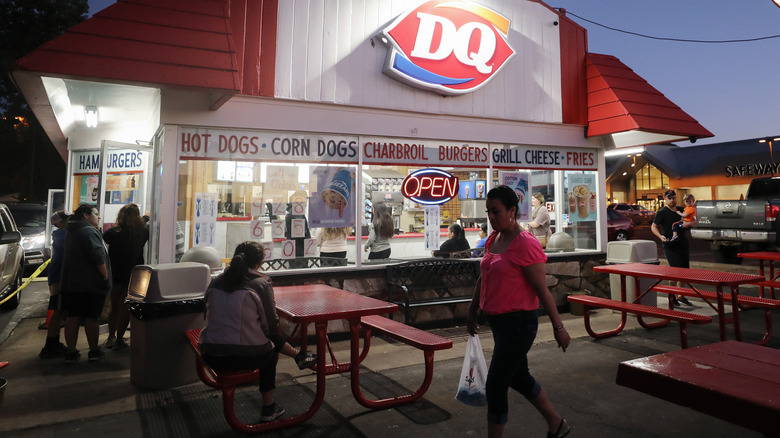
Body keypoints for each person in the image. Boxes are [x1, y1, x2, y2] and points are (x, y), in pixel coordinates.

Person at [467, 185, 571, 438]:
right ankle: (556, 423)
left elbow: (542, 290)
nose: (491, 217)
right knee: (518, 377)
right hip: (499, 324)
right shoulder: (494, 238)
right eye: (488, 212)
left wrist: (559, 327)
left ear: (512, 210)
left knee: (495, 385)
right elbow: (485, 275)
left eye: (496, 211)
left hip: (519, 324)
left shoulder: (525, 243)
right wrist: (473, 308)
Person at [198, 241, 316, 422]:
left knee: (264, 340)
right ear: (258, 263)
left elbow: (207, 315)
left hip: (209, 353)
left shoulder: (216, 281)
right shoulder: (260, 283)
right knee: (268, 349)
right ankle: (269, 408)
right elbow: (271, 324)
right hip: (244, 356)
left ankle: (299, 356)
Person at [60, 205, 112, 363]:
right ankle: (94, 351)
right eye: (95, 214)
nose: (98, 217)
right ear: (85, 215)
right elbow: (97, 254)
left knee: (73, 317)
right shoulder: (89, 231)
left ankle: (71, 352)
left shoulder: (72, 231)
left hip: (73, 283)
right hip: (90, 284)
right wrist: (105, 274)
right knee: (91, 318)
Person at [103, 203, 149, 350]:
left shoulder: (113, 233)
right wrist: (146, 217)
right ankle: (120, 339)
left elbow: (106, 236)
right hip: (133, 275)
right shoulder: (142, 232)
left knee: (114, 307)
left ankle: (111, 337)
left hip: (116, 274)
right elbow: (145, 223)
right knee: (126, 308)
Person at [651, 189, 698, 307]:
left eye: (674, 198)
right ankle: (672, 296)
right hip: (669, 245)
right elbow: (654, 226)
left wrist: (690, 223)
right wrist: (660, 236)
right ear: (665, 199)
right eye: (670, 198)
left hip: (682, 243)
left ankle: (680, 295)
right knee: (675, 270)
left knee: (684, 271)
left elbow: (694, 221)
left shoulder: (682, 210)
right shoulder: (662, 212)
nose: (672, 200)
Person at [39, 211, 70, 359]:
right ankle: (50, 345)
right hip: (59, 277)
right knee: (58, 311)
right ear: (57, 223)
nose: (69, 221)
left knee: (59, 311)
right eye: (66, 220)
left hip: (59, 276)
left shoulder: (61, 235)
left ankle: (53, 342)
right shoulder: (63, 236)